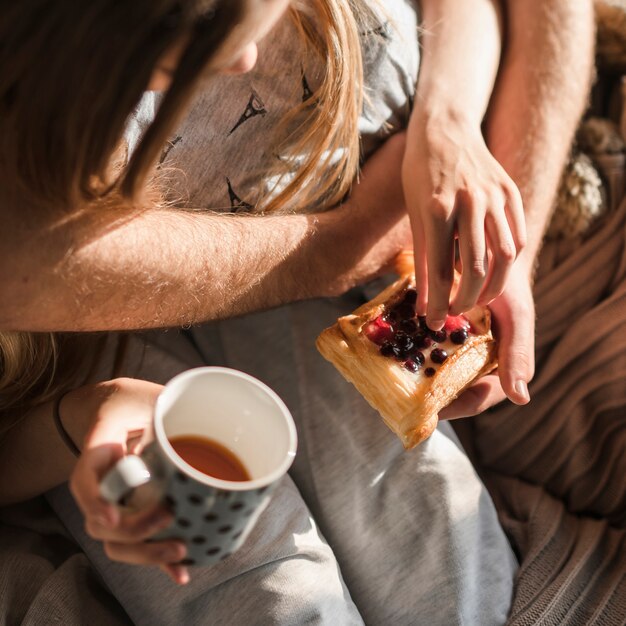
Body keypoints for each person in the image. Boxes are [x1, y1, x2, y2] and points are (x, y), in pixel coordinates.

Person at [0, 0, 594, 623]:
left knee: (454, 585)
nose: (244, 59)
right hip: (123, 353)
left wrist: (455, 131)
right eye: (194, 36)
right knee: (283, 601)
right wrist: (79, 418)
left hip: (362, 286)